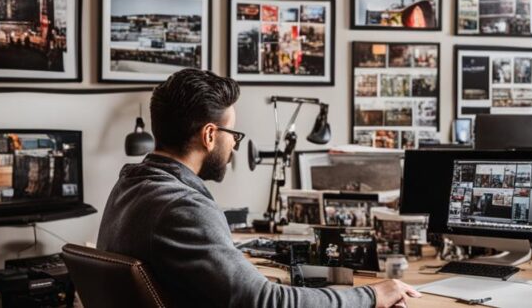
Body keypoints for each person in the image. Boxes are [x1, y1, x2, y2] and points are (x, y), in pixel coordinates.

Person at [97, 69, 421, 307]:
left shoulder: (130, 184)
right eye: (232, 135)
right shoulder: (182, 208)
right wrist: (372, 294)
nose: (234, 146)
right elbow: (266, 302)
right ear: (210, 135)